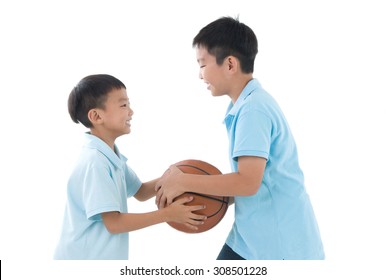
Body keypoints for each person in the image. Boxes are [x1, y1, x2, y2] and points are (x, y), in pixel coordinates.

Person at [155, 17, 325, 260]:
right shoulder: (245, 105)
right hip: (251, 236)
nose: (199, 75)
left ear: (230, 64)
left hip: (279, 245)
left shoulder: (253, 110)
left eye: (202, 65)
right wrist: (183, 186)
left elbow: (247, 182)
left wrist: (185, 182)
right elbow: (253, 181)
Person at [54, 74, 206, 260]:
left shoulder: (109, 155)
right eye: (123, 105)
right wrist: (168, 214)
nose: (131, 112)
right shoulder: (95, 162)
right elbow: (115, 223)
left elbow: (140, 192)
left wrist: (179, 178)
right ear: (96, 116)